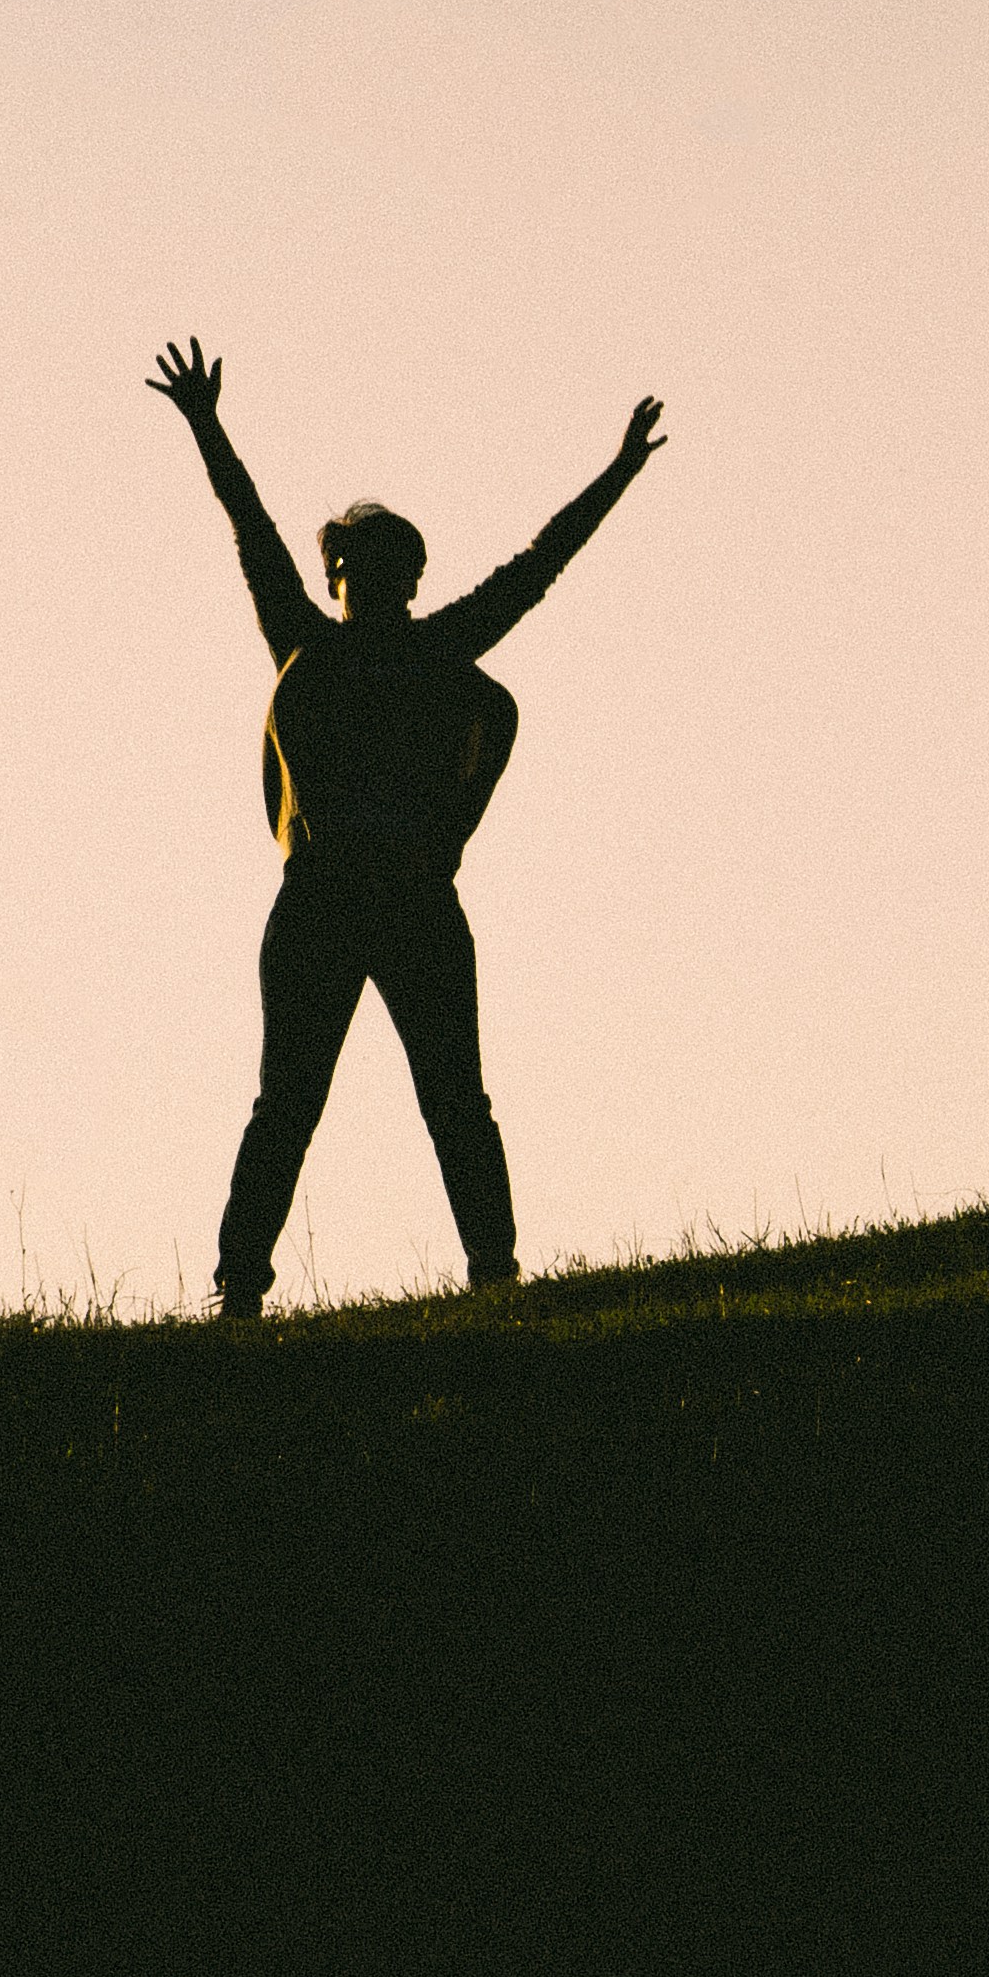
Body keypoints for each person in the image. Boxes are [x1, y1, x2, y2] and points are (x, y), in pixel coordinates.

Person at [149, 340, 665, 1318]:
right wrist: (206, 425)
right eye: (360, 562)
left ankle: (494, 1274)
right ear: (337, 570)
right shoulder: (309, 645)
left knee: (452, 1098)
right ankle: (240, 1290)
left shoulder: (438, 651)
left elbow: (538, 564)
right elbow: (251, 530)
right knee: (290, 1102)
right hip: (325, 893)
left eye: (396, 564)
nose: (379, 578)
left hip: (415, 895)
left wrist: (619, 472)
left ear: (412, 577)